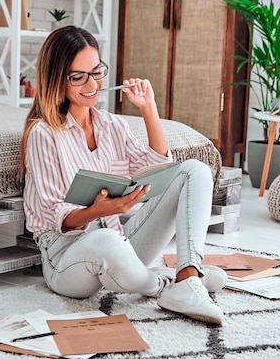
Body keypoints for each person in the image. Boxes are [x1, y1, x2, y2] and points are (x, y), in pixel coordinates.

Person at [19, 26, 226, 324]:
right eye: (78, 77)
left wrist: (148, 108)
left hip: (120, 242)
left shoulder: (112, 125)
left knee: (194, 170)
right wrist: (98, 211)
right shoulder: (45, 134)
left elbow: (157, 165)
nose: (92, 84)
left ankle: (188, 274)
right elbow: (56, 216)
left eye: (97, 72)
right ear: (56, 79)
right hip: (66, 258)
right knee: (105, 240)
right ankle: (166, 286)